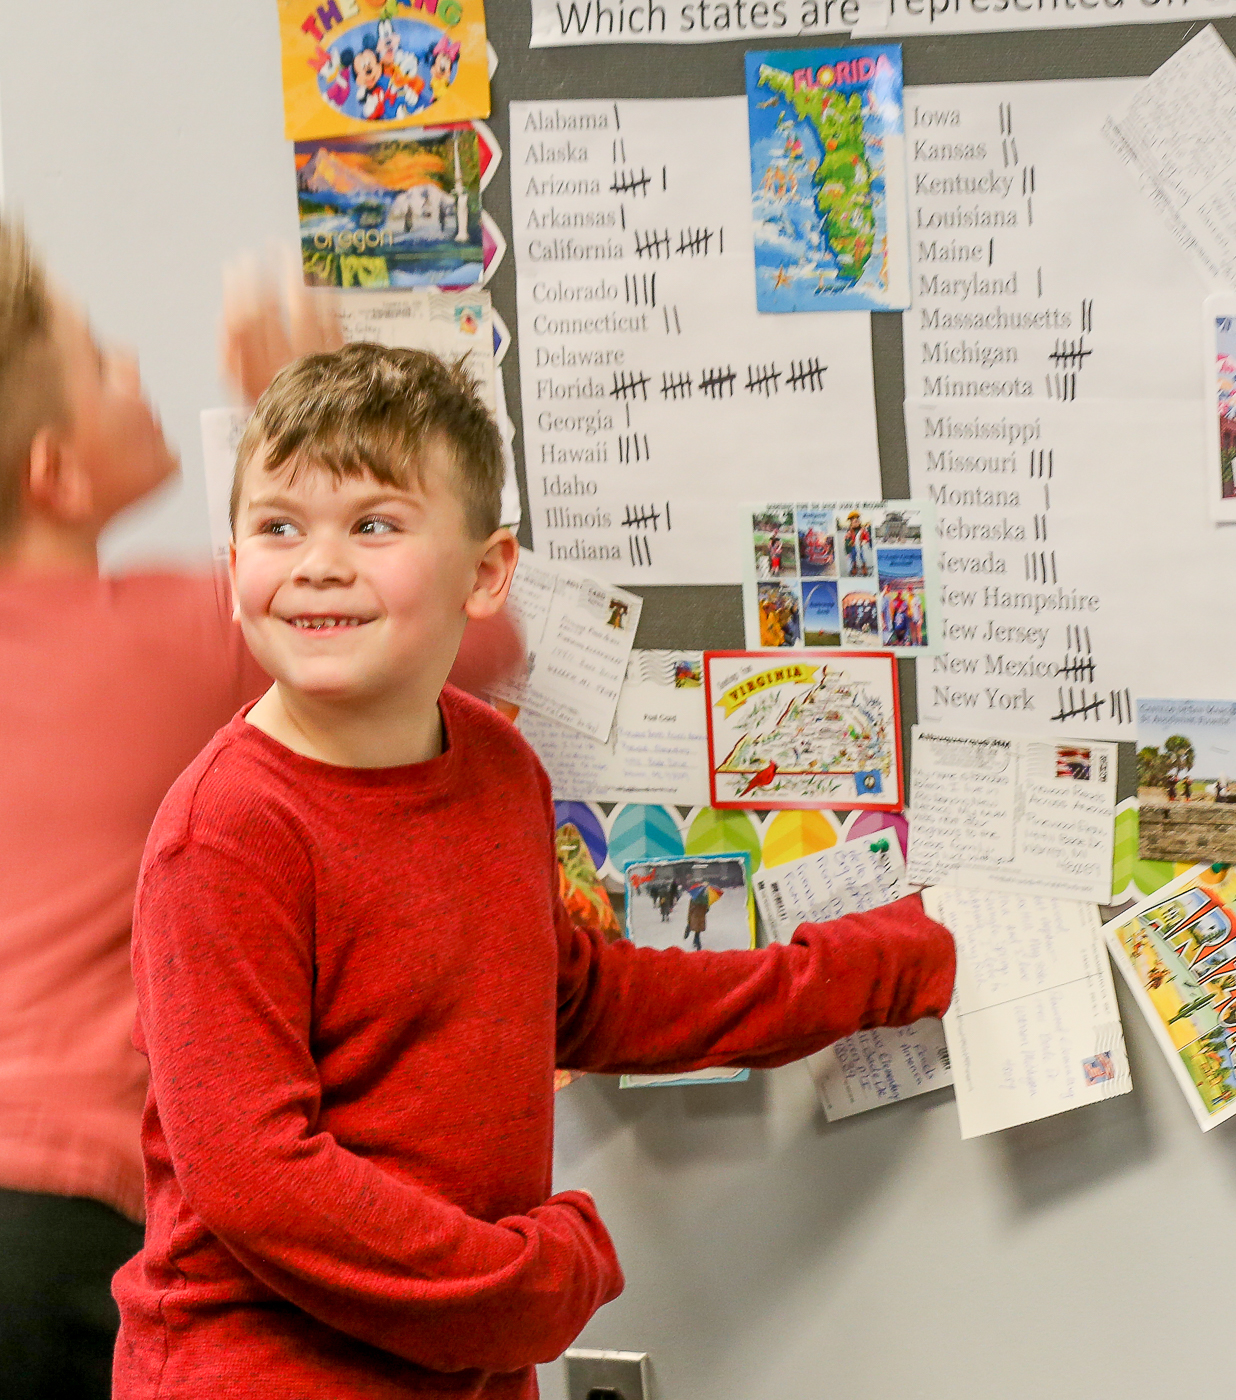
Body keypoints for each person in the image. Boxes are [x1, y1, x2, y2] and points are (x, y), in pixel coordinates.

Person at [112, 341, 955, 1398]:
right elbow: (256, 1177)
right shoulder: (225, 833)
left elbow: (573, 997)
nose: (318, 563)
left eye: (373, 524)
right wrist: (529, 1284)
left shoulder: (497, 766)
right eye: (279, 526)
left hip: (466, 1367)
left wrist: (870, 970)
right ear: (234, 566)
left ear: (486, 573)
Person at [0, 221, 520, 1400]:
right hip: (62, 1223)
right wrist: (314, 421)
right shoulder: (163, 644)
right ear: (57, 473)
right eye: (101, 361)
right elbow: (467, 631)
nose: (134, 366)